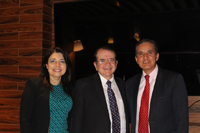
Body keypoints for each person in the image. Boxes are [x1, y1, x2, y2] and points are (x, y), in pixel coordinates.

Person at [126, 39, 189, 133]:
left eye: (149, 52)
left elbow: (182, 120)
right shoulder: (130, 83)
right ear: (136, 59)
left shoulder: (173, 80)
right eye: (140, 54)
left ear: (157, 56)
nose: (145, 57)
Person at [70, 46, 130, 133]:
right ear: (95, 65)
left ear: (116, 63)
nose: (107, 64)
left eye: (111, 60)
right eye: (102, 60)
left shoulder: (124, 85)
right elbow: (76, 121)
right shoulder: (83, 86)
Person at [20, 47, 73, 133]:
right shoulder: (34, 85)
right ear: (47, 66)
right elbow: (25, 119)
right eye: (53, 61)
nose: (57, 65)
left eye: (62, 61)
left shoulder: (69, 89)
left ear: (66, 66)